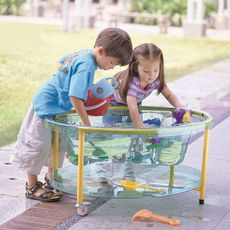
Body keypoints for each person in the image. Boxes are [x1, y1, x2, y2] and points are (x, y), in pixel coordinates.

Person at [11, 27, 133, 202]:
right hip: (44, 107)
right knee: (38, 146)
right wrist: (86, 122)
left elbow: (63, 60)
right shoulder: (87, 67)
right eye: (112, 62)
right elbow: (75, 96)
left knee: (58, 145)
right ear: (101, 51)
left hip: (57, 109)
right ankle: (32, 186)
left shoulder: (84, 54)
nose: (111, 67)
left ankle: (52, 180)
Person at [103, 43, 183, 128]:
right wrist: (140, 127)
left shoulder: (156, 80)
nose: (152, 75)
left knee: (133, 127)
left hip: (135, 103)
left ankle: (149, 124)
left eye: (156, 70)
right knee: (112, 128)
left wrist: (179, 106)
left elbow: (169, 94)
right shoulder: (133, 83)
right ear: (135, 68)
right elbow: (132, 106)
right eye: (146, 71)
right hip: (114, 104)